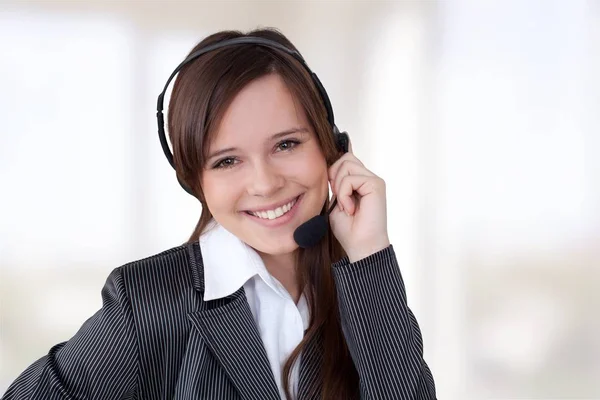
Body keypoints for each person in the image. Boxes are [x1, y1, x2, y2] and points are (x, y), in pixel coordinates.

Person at [2, 28, 436, 400]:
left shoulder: (362, 285)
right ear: (196, 181)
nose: (265, 184)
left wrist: (369, 255)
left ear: (332, 147)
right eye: (227, 161)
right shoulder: (148, 304)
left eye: (286, 144)